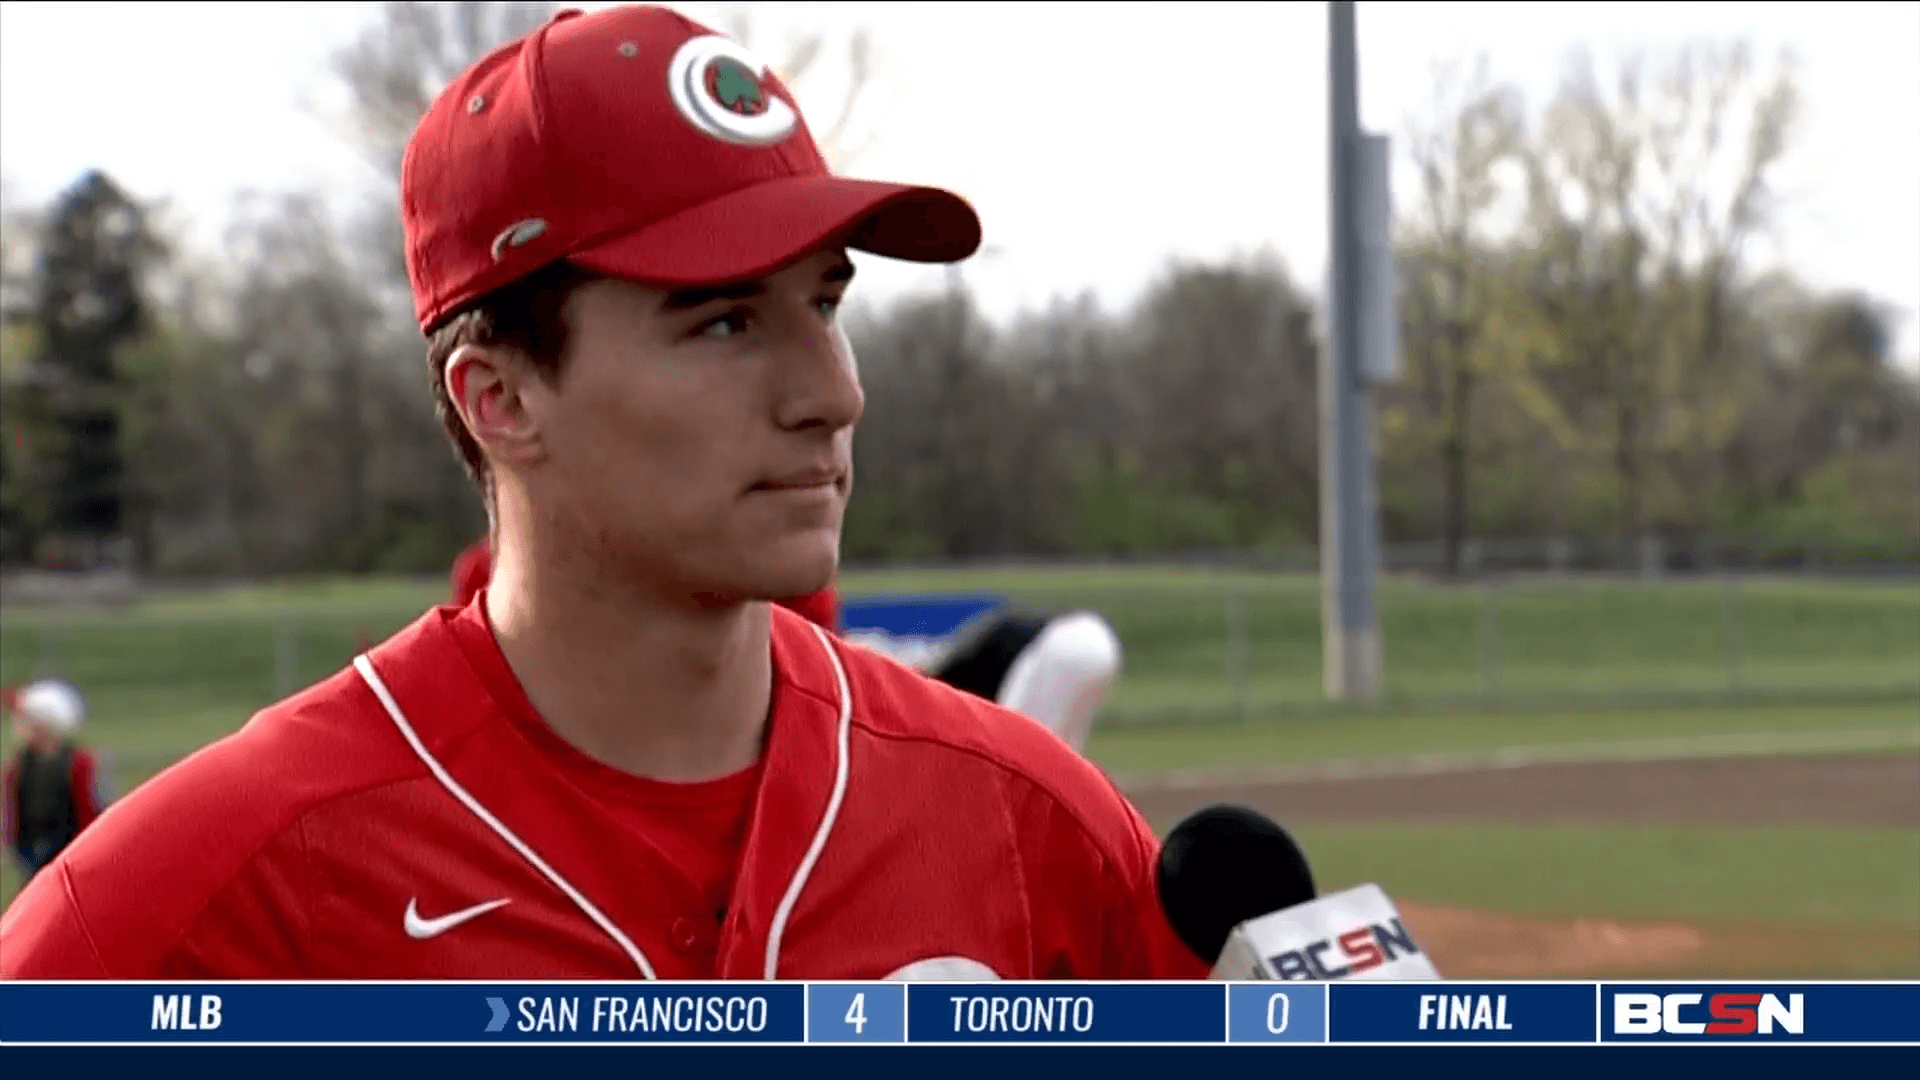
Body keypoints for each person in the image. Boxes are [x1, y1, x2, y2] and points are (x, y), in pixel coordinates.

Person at [0, 5, 1205, 981]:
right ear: (500, 400)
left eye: (827, 306)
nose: (832, 393)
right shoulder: (210, 895)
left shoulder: (1031, 824)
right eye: (727, 319)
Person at [3, 680, 105, 880]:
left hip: (68, 847)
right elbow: (14, 810)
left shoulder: (77, 763)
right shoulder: (17, 765)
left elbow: (86, 809)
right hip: (30, 852)